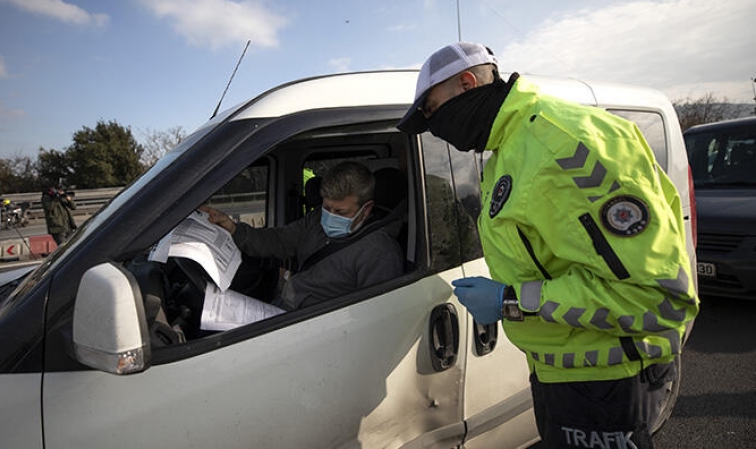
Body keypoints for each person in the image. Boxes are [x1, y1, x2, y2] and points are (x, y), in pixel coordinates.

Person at [398, 42, 699, 448]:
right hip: (561, 376)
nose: (435, 128)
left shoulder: (564, 145)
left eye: (432, 111)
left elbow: (658, 297)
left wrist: (508, 300)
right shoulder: (509, 149)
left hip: (609, 385)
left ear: (466, 84)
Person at [203, 161, 404, 311]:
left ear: (366, 209)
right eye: (327, 207)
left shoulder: (380, 254)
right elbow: (280, 240)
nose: (330, 216)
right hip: (285, 306)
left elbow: (372, 319)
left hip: (311, 327)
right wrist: (234, 229)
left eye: (340, 212)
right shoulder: (316, 219)